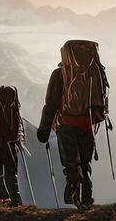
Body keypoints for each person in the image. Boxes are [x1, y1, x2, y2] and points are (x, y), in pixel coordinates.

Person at [37, 65, 97, 210]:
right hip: (87, 125)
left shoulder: (59, 74)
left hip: (66, 124)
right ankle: (87, 199)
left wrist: (44, 130)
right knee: (84, 163)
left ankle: (74, 197)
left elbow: (51, 103)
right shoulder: (94, 73)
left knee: (71, 164)